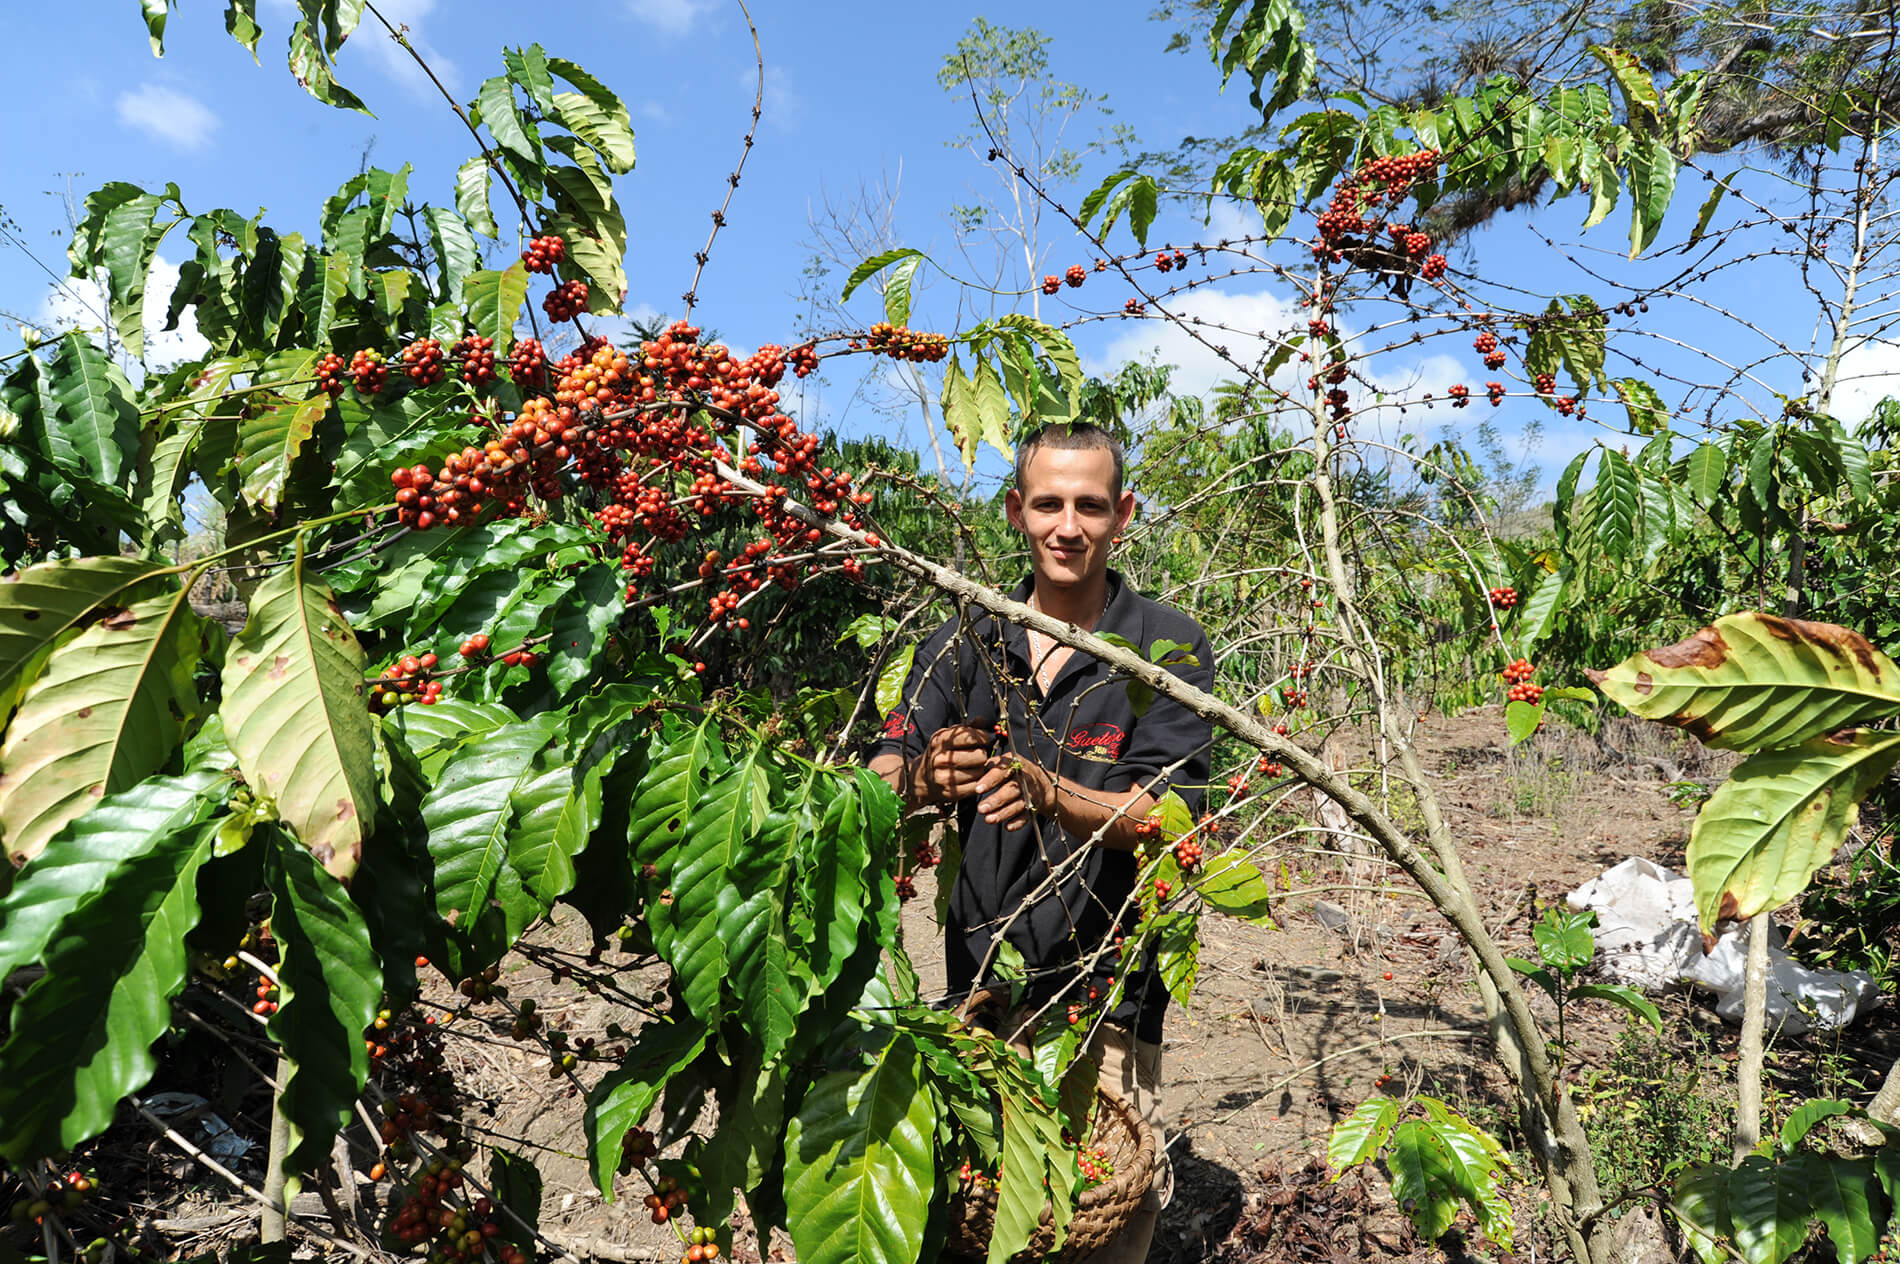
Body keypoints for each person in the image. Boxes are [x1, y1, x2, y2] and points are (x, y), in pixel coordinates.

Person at [867, 421, 1215, 1264]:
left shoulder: (1164, 646)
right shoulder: (961, 638)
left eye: (1090, 506)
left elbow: (1163, 816)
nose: (1070, 527)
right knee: (986, 1222)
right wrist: (923, 778)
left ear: (1122, 514)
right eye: (1050, 504)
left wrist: (1047, 789)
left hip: (1108, 997)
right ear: (1019, 511)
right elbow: (881, 770)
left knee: (1101, 1220)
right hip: (979, 989)